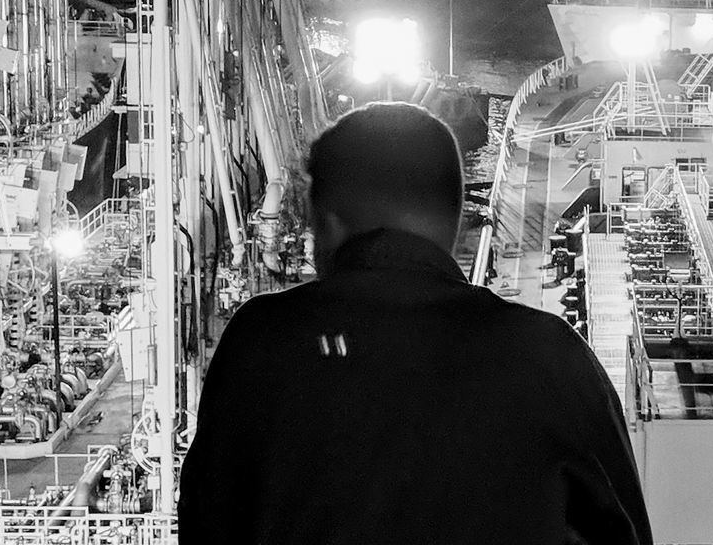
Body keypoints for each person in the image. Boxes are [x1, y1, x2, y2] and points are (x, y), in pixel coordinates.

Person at [178, 102, 653, 545]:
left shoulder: (261, 342)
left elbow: (207, 520)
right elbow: (622, 530)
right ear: (456, 222)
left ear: (327, 223)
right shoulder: (548, 356)